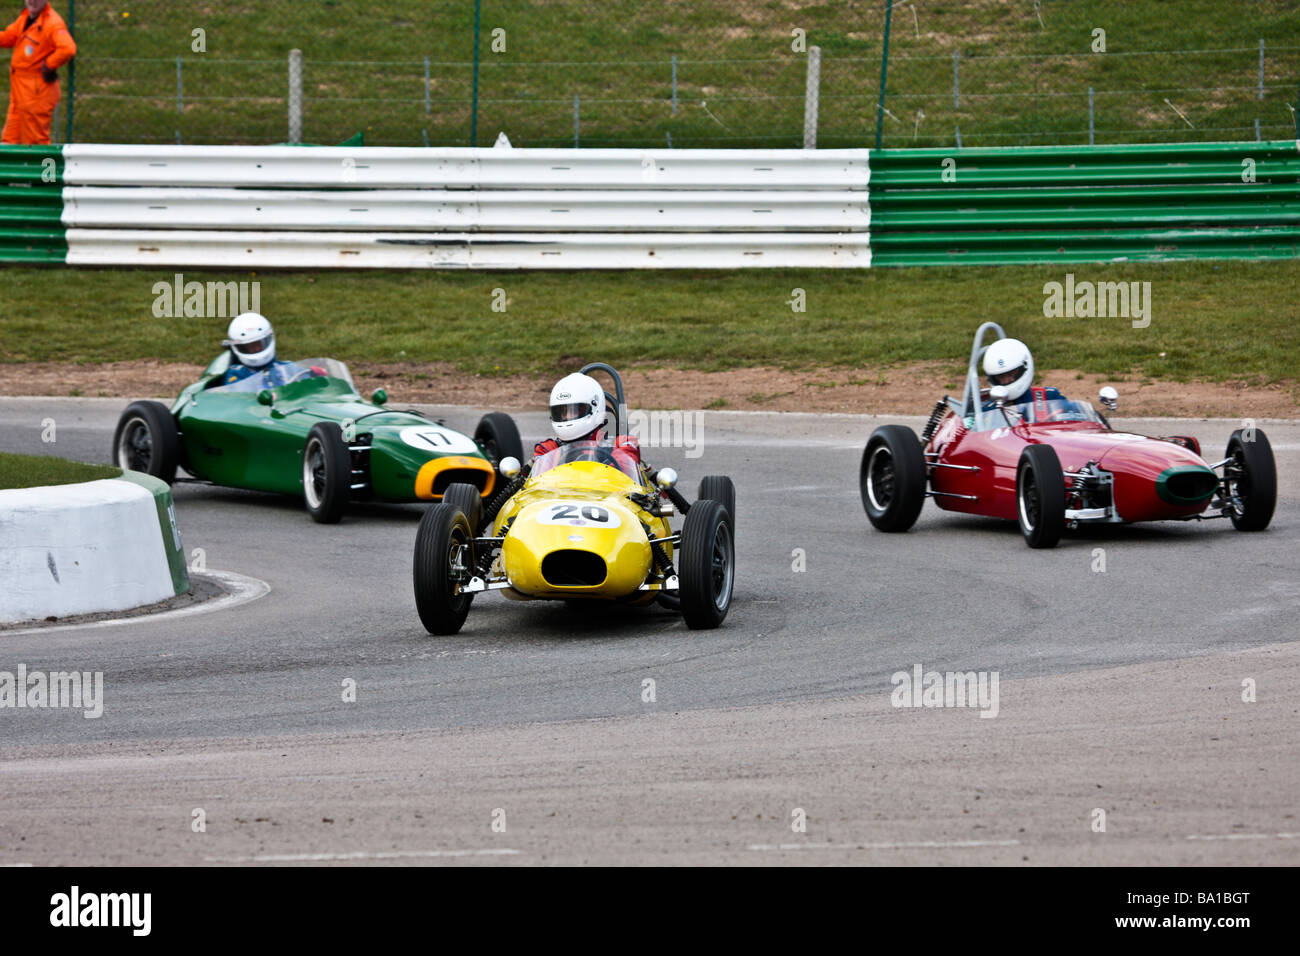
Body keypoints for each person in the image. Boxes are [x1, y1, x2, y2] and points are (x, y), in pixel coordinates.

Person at [531, 372, 640, 473]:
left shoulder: (621, 445)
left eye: (573, 411)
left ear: (594, 407)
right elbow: (534, 484)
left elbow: (625, 478)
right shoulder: (548, 449)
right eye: (561, 412)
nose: (566, 417)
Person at [1, 0, 75, 146]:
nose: (32, 1)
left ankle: (44, 169)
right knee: (10, 142)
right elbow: (9, 37)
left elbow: (68, 48)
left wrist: (49, 65)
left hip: (36, 94)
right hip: (20, 93)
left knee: (35, 143)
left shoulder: (52, 23)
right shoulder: (26, 17)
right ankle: (15, 169)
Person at [219, 312, 301, 386]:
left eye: (259, 344)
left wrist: (312, 374)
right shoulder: (236, 374)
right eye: (250, 346)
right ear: (238, 347)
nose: (256, 349)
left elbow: (306, 379)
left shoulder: (286, 366)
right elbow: (237, 396)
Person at [981, 337, 1063, 410]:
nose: (1006, 380)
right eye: (1000, 376)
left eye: (1011, 374)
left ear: (1024, 367)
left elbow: (1072, 417)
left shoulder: (1050, 397)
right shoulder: (989, 410)